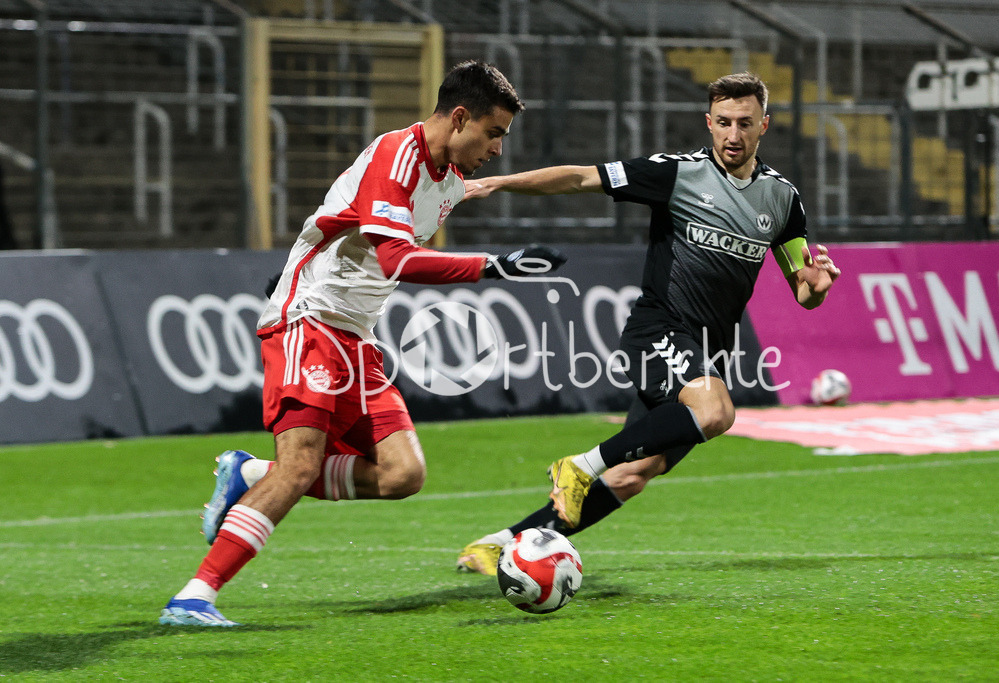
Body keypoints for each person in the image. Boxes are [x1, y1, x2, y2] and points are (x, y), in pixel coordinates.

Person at [160, 60, 565, 626]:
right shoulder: (392, 159)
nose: (498, 148)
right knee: (299, 467)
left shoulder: (447, 177)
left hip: (357, 336)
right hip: (309, 318)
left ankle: (249, 477)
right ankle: (194, 595)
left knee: (403, 474)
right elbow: (396, 259)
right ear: (458, 117)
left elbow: (467, 191)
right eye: (493, 133)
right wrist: (495, 266)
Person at [455, 72, 841, 575]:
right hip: (659, 330)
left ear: (764, 125)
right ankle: (578, 465)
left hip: (707, 352)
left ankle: (503, 543)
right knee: (716, 412)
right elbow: (581, 177)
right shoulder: (678, 174)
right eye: (723, 122)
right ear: (708, 122)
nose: (733, 135)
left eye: (745, 123)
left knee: (631, 475)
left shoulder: (782, 199)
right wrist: (499, 181)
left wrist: (817, 283)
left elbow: (804, 291)